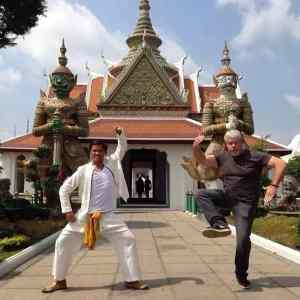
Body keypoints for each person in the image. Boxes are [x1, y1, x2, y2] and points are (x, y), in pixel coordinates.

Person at [42, 127, 148, 293]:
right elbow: (64, 188)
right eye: (93, 151)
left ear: (105, 153)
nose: (96, 154)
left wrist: (120, 134)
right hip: (84, 216)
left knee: (128, 239)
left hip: (108, 217)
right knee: (62, 242)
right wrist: (67, 210)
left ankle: (132, 280)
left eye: (99, 151)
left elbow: (122, 148)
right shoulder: (83, 170)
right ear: (90, 152)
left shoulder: (112, 164)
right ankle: (59, 280)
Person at [193, 129, 286, 288]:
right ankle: (219, 223)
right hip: (227, 196)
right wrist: (196, 148)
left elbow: (281, 163)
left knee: (242, 240)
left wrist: (273, 185)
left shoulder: (255, 156)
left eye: (236, 143)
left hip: (245, 203)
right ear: (227, 145)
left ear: (242, 143)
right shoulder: (223, 156)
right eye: (230, 143)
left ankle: (241, 273)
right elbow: (203, 161)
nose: (233, 146)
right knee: (200, 194)